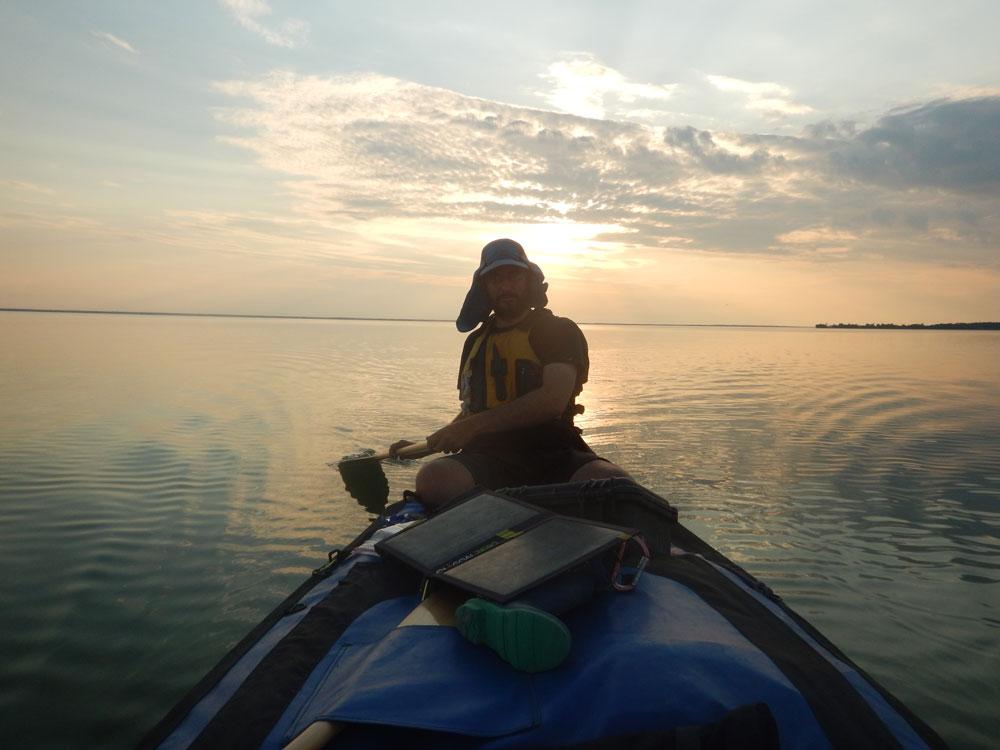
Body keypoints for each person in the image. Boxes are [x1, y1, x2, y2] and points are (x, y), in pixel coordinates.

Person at [392, 238, 629, 509]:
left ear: (528, 281)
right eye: (495, 278)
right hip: (488, 454)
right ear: (484, 287)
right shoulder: (476, 342)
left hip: (554, 449)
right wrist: (427, 445)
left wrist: (471, 426)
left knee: (611, 484)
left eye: (514, 276)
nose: (505, 286)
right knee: (434, 479)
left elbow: (552, 401)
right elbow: (471, 411)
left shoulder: (558, 330)